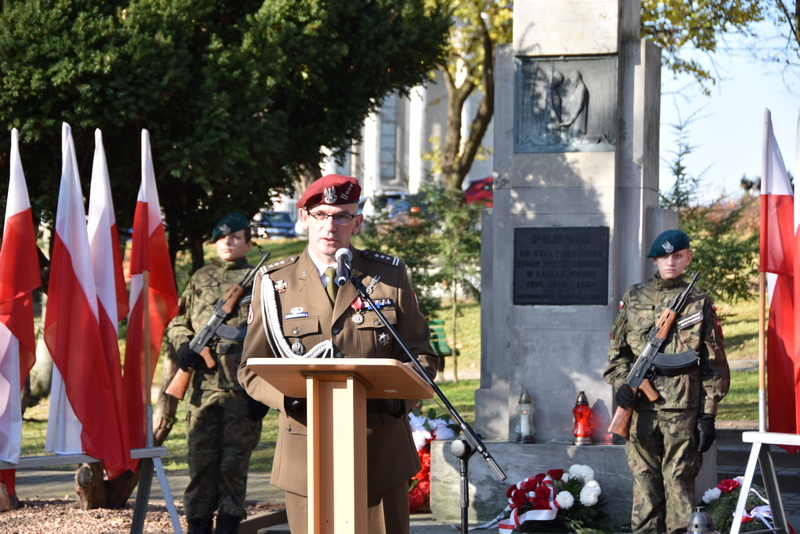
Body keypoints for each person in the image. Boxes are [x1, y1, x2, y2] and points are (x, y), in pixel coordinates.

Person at [238, 174, 438, 534]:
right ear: (304, 217)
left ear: (357, 222)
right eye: (321, 214)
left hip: (379, 449)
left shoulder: (388, 276)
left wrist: (397, 401)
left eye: (342, 216)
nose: (331, 225)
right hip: (306, 450)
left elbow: (422, 356)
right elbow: (250, 369)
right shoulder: (273, 284)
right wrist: (291, 399)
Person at [604, 229, 730, 534]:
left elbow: (714, 363)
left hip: (682, 409)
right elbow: (617, 354)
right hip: (639, 409)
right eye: (664, 256)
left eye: (677, 256)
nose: (670, 262)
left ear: (688, 258)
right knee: (645, 482)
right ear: (655, 260)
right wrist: (623, 385)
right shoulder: (634, 297)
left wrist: (708, 415)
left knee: (678, 481)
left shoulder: (699, 302)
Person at [167, 213, 269, 534]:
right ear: (215, 243)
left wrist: (266, 389)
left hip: (244, 390)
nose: (229, 242)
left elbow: (273, 335)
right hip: (202, 390)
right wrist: (185, 345)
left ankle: (228, 525)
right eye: (222, 238)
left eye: (236, 237)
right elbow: (178, 321)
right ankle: (197, 524)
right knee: (200, 463)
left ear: (248, 244)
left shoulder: (262, 280)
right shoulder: (200, 278)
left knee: (234, 466)